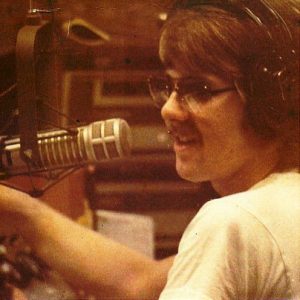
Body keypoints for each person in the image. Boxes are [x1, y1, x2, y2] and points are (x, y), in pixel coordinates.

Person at [0, 0, 299, 299]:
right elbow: (140, 282)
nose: (169, 109)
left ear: (271, 99)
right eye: (169, 87)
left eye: (199, 90)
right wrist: (22, 212)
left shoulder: (233, 221)